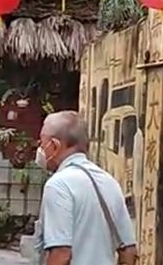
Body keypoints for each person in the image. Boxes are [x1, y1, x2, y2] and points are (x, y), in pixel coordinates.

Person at [37, 111, 136, 265]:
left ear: (55, 146)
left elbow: (61, 253)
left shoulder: (58, 185)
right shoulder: (109, 182)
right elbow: (129, 251)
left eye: (42, 143)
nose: (41, 149)